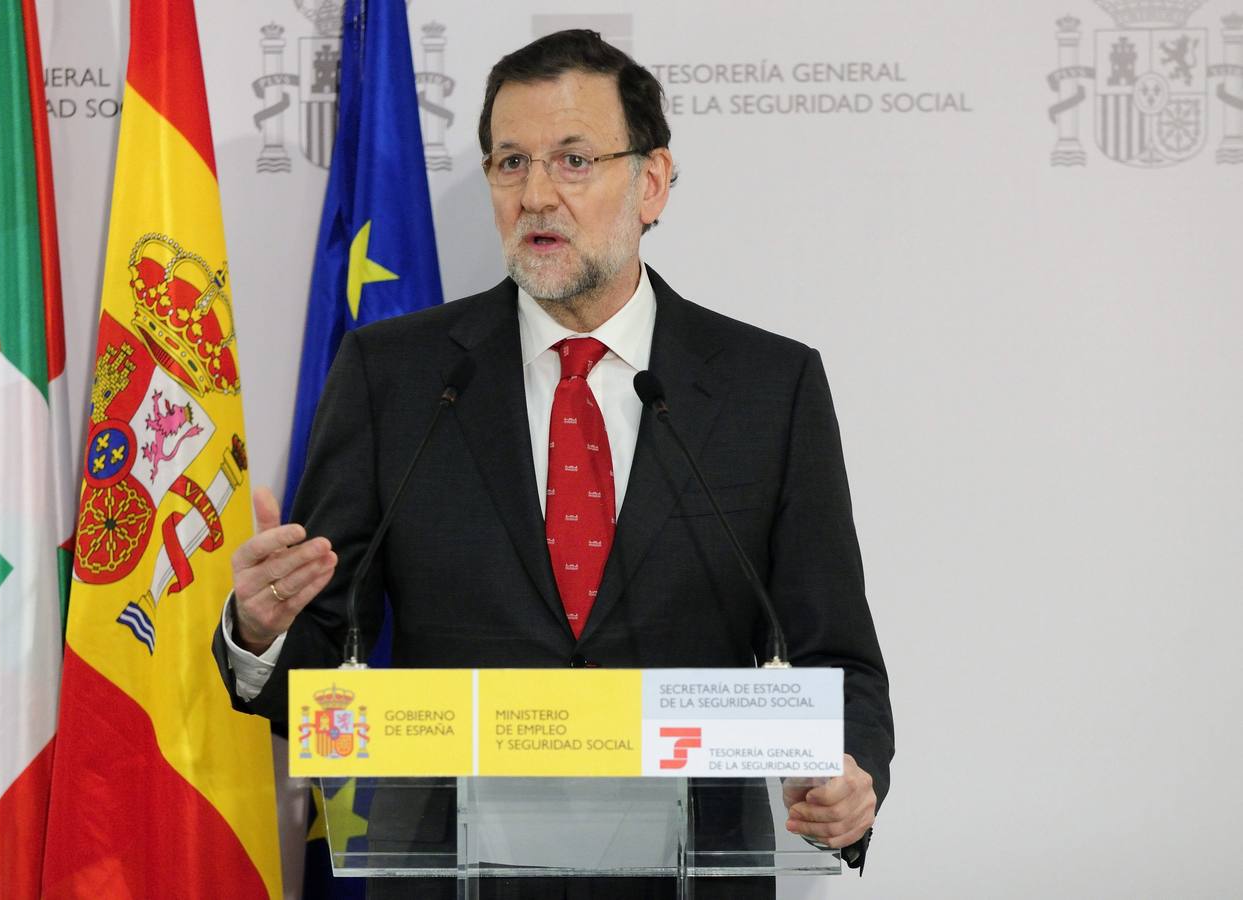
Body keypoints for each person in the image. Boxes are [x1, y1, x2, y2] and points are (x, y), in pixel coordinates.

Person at [213, 29, 892, 898]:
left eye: (573, 160)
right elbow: (321, 656)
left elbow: (838, 656)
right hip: (443, 870)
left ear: (651, 182)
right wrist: (262, 632)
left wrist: (849, 770)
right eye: (509, 162)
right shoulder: (396, 376)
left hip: (690, 873)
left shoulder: (769, 386)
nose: (536, 195)